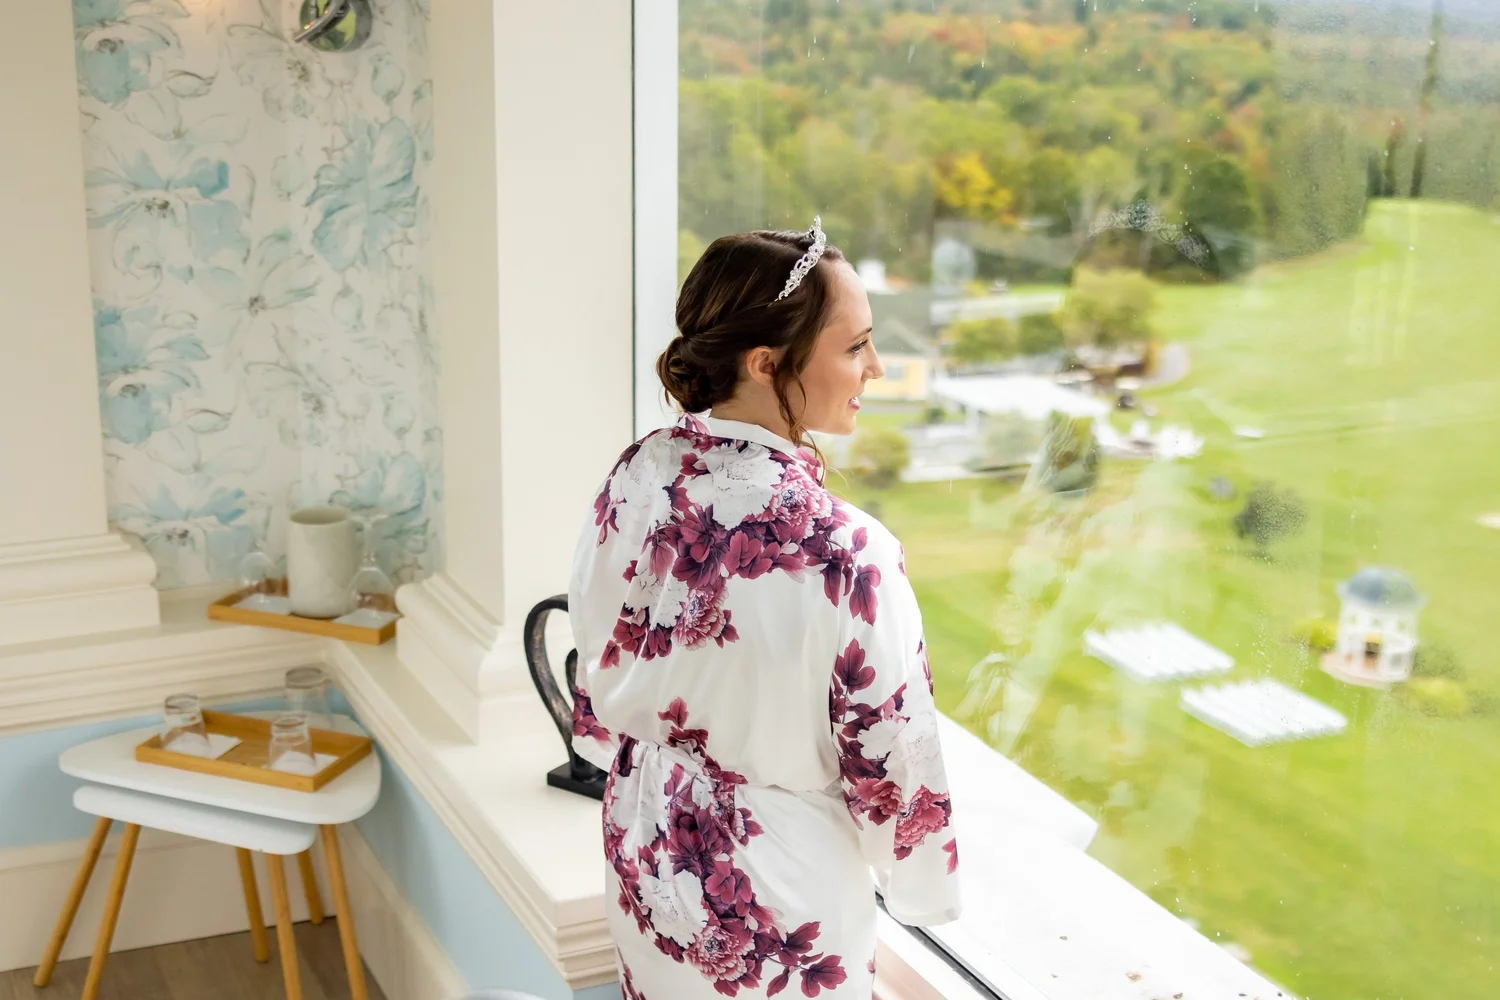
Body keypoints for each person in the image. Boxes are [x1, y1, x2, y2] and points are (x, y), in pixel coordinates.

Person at [568, 219, 961, 999]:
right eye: (854, 348)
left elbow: (594, 636)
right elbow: (892, 759)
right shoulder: (849, 552)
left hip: (643, 839)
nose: (876, 367)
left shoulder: (640, 471)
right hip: (775, 894)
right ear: (764, 362)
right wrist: (922, 880)